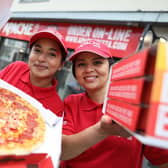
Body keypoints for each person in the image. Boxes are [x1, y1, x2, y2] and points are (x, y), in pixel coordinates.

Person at [60, 40, 168, 168]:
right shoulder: (72, 102)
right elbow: (62, 150)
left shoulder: (135, 106)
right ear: (75, 73)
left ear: (111, 67)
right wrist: (101, 131)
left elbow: (162, 159)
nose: (88, 69)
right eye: (81, 64)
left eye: (97, 62)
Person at [0, 28, 68, 116]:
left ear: (61, 65)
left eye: (51, 54)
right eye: (37, 50)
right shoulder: (15, 68)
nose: (41, 59)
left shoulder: (56, 108)